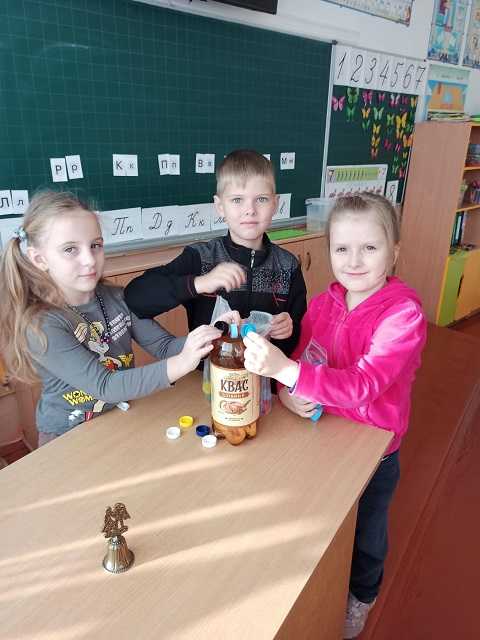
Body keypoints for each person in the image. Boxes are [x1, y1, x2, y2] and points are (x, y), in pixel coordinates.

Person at [241, 193, 427, 639]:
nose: (354, 261)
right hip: (320, 434)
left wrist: (286, 373)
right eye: (342, 248)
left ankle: (362, 594)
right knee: (319, 520)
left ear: (394, 252)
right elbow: (304, 357)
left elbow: (363, 384)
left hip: (374, 450)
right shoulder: (325, 304)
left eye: (370, 248)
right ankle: (314, 585)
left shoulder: (404, 315)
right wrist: (287, 393)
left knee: (366, 533)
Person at [0, 191, 221, 446]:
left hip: (118, 416)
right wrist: (182, 362)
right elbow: (105, 386)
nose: (89, 260)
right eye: (70, 249)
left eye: (95, 245)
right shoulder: (42, 323)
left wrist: (212, 337)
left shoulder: (117, 298)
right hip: (66, 436)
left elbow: (163, 346)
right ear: (40, 259)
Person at [124, 149, 307, 357]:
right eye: (237, 200)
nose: (250, 210)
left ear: (275, 204)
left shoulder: (288, 266)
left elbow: (299, 336)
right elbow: (136, 297)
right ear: (220, 206)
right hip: (209, 373)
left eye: (261, 199)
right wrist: (200, 283)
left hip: (266, 374)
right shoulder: (200, 258)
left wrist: (289, 329)